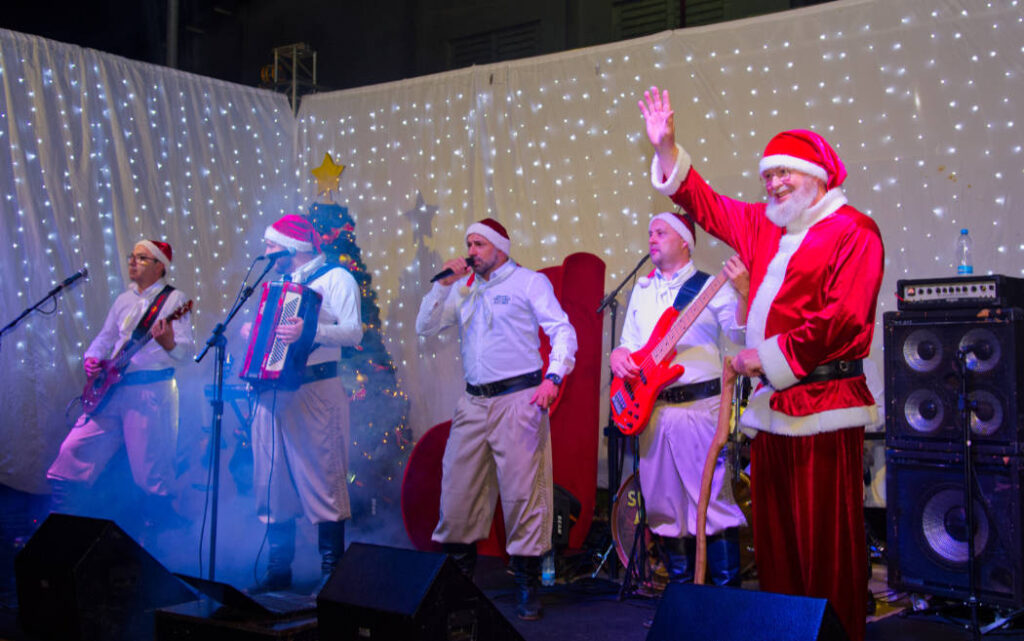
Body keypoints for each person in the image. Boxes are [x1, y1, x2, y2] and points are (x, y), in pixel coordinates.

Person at [639, 86, 884, 641]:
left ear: (817, 175)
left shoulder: (854, 231)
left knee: (825, 546)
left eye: (784, 173)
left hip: (826, 408)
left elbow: (843, 319)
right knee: (777, 546)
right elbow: (704, 202)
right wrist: (666, 148)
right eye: (768, 175)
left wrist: (764, 356)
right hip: (773, 412)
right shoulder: (762, 224)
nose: (773, 183)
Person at [415, 218, 578, 621]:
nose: (471, 251)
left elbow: (562, 330)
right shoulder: (464, 289)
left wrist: (554, 376)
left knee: (523, 494)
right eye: (468, 244)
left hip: (518, 398)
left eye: (479, 244)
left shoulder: (529, 282)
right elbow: (424, 328)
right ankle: (459, 585)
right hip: (473, 402)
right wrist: (442, 286)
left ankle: (527, 585)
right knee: (457, 492)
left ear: (500, 248)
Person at [610, 212, 749, 591]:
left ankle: (725, 604)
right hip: (652, 410)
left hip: (699, 409)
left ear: (685, 240)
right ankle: (680, 600)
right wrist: (619, 355)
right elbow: (630, 342)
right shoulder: (642, 290)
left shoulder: (710, 286)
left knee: (712, 503)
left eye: (661, 232)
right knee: (664, 507)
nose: (652, 238)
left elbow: (740, 334)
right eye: (650, 232)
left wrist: (743, 292)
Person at [245, 214, 363, 592]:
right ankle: (279, 569)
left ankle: (333, 571)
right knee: (271, 480)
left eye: (271, 246)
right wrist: (253, 333)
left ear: (291, 248)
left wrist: (310, 330)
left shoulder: (336, 277)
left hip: (316, 388)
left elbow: (353, 332)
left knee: (323, 476)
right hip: (273, 392)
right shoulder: (280, 285)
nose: (266, 252)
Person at [48, 239, 194, 533]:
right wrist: (92, 359)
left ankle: (162, 539)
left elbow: (186, 353)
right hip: (113, 389)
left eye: (141, 258)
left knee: (151, 472)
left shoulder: (175, 300)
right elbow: (105, 337)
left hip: (150, 391)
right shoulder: (123, 300)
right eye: (132, 256)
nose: (132, 261)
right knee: (74, 450)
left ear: (159, 266)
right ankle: (65, 527)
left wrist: (168, 342)